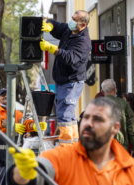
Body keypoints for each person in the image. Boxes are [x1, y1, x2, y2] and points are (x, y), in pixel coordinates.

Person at [7, 97, 134, 185]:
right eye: (86, 117)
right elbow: (38, 173)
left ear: (115, 128)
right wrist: (22, 173)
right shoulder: (62, 157)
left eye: (98, 119)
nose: (88, 123)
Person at [39, 10, 92, 146]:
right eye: (72, 18)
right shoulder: (69, 30)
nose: (71, 21)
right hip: (63, 80)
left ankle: (66, 147)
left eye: (75, 20)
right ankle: (73, 145)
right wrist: (50, 25)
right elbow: (58, 26)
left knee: (64, 115)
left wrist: (52, 48)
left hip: (71, 83)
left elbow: (70, 57)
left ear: (83, 25)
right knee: (67, 115)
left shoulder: (83, 42)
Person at [0, 88, 47, 185]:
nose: (5, 96)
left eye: (7, 94)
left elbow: (26, 123)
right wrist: (13, 126)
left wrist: (35, 126)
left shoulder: (16, 113)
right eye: (2, 95)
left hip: (12, 157)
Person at [102, 79, 134, 156]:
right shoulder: (124, 103)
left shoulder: (96, 105)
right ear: (115, 89)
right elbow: (131, 127)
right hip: (121, 145)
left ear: (102, 91)